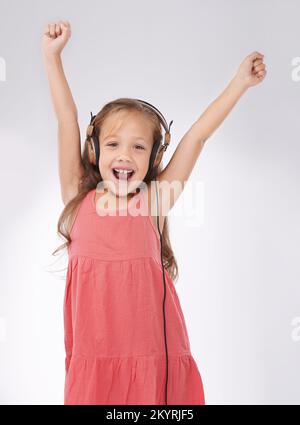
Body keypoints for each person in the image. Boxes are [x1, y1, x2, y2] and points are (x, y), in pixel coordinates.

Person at [42, 20, 267, 405]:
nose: (125, 155)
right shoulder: (77, 197)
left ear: (155, 156)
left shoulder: (154, 201)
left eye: (139, 147)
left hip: (152, 353)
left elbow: (197, 135)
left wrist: (239, 84)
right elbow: (67, 119)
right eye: (113, 144)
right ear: (95, 150)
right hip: (95, 356)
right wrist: (52, 57)